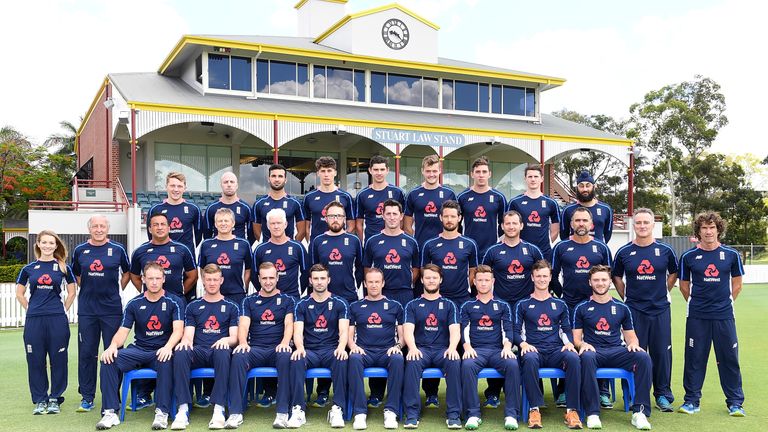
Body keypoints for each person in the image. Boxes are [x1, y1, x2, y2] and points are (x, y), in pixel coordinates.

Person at [95, 262, 184, 430]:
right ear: (143, 279)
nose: (154, 282)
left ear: (164, 279)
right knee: (108, 360)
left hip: (161, 350)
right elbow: (123, 331)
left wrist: (168, 347)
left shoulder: (174, 301)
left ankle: (162, 413)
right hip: (139, 350)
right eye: (150, 278)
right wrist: (113, 346)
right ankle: (110, 412)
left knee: (166, 360)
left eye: (158, 278)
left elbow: (178, 331)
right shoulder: (134, 303)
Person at [677, 211, 745, 417]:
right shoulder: (688, 257)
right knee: (694, 358)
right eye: (704, 228)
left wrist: (725, 302)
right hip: (697, 316)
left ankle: (735, 403)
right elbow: (683, 286)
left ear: (718, 229)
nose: (708, 231)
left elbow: (738, 284)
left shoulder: (731, 255)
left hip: (724, 316)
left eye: (712, 227)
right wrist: (697, 303)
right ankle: (691, 401)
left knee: (729, 358)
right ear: (698, 231)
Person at [612, 208, 678, 412]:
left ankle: (663, 395)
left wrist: (662, 292)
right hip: (634, 311)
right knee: (634, 353)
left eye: (646, 223)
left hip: (659, 310)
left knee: (661, 354)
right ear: (634, 226)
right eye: (638, 223)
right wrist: (626, 298)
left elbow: (674, 273)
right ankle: (632, 395)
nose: (642, 226)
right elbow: (616, 277)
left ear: (652, 225)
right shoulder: (624, 252)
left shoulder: (665, 251)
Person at [573, 265, 653, 430]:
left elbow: (631, 337)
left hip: (617, 351)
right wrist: (583, 344)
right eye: (596, 280)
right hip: (594, 352)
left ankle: (640, 412)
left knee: (643, 357)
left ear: (610, 282)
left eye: (604, 280)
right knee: (586, 356)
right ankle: (593, 413)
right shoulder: (581, 308)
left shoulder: (622, 307)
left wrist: (633, 345)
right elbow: (576, 339)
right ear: (590, 282)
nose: (600, 283)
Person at [480, 210, 543, 408]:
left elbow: (540, 274)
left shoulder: (532, 250)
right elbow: (484, 277)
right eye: (507, 223)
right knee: (500, 346)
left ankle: (533, 392)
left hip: (526, 305)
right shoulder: (493, 251)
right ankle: (493, 392)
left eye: (515, 223)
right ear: (502, 226)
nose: (511, 227)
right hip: (500, 306)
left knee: (529, 344)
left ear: (521, 226)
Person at [551, 207, 612, 407]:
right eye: (577, 220)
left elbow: (607, 277)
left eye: (585, 220)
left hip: (596, 304)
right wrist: (562, 296)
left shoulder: (601, 248)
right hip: (569, 304)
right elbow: (553, 275)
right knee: (568, 345)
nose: (581, 224)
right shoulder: (561, 248)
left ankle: (602, 390)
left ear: (591, 224)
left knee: (599, 344)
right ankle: (564, 390)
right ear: (571, 224)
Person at [419, 200, 477, 407]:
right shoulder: (430, 244)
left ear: (459, 218)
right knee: (434, 341)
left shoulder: (469, 244)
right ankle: (432, 393)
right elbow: (424, 273)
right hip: (436, 299)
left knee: (460, 345)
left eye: (454, 216)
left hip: (461, 300)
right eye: (446, 216)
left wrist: (463, 290)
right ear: (441, 218)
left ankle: (460, 392)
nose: (450, 219)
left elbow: (473, 272)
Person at [70, 215, 131, 412]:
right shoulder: (80, 250)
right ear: (89, 229)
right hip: (87, 311)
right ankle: (87, 397)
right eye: (95, 226)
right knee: (87, 354)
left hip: (112, 310)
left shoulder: (118, 249)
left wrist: (116, 288)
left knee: (114, 353)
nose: (98, 229)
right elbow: (76, 274)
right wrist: (87, 288)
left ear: (107, 229)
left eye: (102, 226)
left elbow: (128, 272)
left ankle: (113, 395)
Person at [225, 262, 295, 429]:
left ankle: (282, 413)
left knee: (286, 356)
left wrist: (285, 343)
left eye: (272, 277)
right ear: (259, 279)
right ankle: (235, 413)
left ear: (277, 278)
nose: (268, 281)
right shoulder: (248, 300)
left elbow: (289, 325)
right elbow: (243, 325)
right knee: (238, 356)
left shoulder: (287, 300)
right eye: (264, 278)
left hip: (277, 348)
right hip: (255, 348)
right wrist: (242, 343)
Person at [514, 260, 582, 429]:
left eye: (545, 276)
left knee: (573, 358)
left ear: (551, 277)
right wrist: (522, 344)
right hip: (533, 350)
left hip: (555, 351)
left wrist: (569, 344)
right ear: (532, 277)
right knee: (528, 358)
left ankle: (571, 410)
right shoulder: (522, 304)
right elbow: (514, 332)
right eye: (538, 276)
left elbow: (566, 329)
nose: (542, 279)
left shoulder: (560, 304)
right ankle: (534, 409)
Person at [171, 264, 240, 430]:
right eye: (208, 279)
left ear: (221, 280)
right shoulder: (193, 306)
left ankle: (218, 409)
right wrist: (186, 341)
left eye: (215, 279)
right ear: (203, 280)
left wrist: (226, 340)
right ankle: (183, 409)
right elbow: (188, 334)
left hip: (219, 351)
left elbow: (234, 337)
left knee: (223, 351)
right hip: (200, 351)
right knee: (180, 352)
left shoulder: (231, 306)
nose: (212, 283)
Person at [16, 230, 76, 415]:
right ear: (38, 244)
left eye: (52, 243)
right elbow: (19, 293)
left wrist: (61, 310)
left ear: (56, 246)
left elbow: (72, 292)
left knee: (58, 360)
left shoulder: (64, 268)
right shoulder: (28, 269)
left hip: (57, 320)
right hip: (34, 320)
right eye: (45, 242)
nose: (48, 246)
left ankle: (54, 398)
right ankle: (40, 399)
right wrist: (31, 309)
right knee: (35, 360)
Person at [287, 264, 350, 429]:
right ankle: (298, 409)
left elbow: (344, 331)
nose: (319, 282)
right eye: (316, 278)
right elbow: (298, 332)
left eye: (323, 278)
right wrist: (300, 348)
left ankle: (337, 408)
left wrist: (341, 347)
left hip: (331, 350)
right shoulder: (301, 304)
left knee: (342, 358)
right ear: (310, 281)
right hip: (310, 351)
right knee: (296, 359)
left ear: (329, 280)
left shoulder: (340, 303)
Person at [459, 265, 520, 430]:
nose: (483, 283)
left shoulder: (502, 305)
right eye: (480, 280)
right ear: (474, 282)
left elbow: (508, 330)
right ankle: (473, 414)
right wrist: (467, 347)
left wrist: (507, 347)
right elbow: (463, 330)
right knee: (467, 365)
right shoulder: (467, 306)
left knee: (513, 364)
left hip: (497, 351)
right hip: (476, 350)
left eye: (487, 280)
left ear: (493, 281)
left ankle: (511, 415)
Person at [402, 264, 462, 429]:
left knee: (454, 362)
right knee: (412, 362)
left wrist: (452, 348)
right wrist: (413, 348)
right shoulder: (412, 305)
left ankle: (454, 415)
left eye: (434, 278)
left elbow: (455, 330)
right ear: (421, 280)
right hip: (421, 349)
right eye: (427, 277)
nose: (431, 281)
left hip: (443, 350)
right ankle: (412, 415)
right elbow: (408, 330)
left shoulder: (450, 305)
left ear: (440, 280)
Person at [347, 268, 405, 430]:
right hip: (364, 351)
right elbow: (349, 336)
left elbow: (402, 337)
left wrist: (398, 346)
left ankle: (391, 411)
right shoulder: (355, 306)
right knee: (354, 358)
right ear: (364, 284)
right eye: (370, 282)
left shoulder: (395, 306)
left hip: (387, 351)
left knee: (398, 358)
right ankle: (359, 413)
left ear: (383, 283)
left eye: (377, 282)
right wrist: (353, 347)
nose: (373, 285)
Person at [362, 199, 419, 306]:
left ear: (401, 216)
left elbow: (416, 268)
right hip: (381, 293)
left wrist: (407, 282)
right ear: (383, 215)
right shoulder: (372, 241)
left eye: (395, 214)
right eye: (388, 214)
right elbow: (367, 268)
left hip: (405, 293)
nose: (392, 217)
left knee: (405, 323)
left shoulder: (411, 241)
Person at [130, 212, 198, 301]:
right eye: (155, 225)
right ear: (150, 229)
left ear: (169, 228)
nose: (160, 227)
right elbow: (134, 277)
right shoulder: (139, 251)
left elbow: (193, 276)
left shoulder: (182, 249)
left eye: (163, 224)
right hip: (150, 303)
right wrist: (146, 291)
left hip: (177, 302)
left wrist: (180, 292)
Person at [309, 201, 363, 305]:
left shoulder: (354, 240)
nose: (335, 219)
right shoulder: (318, 241)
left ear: (344, 218)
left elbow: (360, 268)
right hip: (323, 297)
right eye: (331, 216)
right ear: (326, 218)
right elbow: (313, 268)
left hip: (348, 297)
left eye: (339, 216)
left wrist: (353, 284)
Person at [507, 165, 560, 262]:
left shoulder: (551, 203)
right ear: (525, 179)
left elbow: (555, 230)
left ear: (542, 179)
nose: (533, 179)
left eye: (536, 177)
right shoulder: (515, 202)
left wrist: (545, 243)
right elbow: (508, 226)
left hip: (544, 252)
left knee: (542, 277)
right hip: (520, 252)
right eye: (530, 177)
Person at [199, 208, 252, 305]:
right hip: (213, 295)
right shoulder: (206, 244)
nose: (223, 223)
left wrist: (244, 287)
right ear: (215, 224)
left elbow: (248, 269)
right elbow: (202, 269)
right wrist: (208, 286)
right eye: (220, 221)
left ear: (233, 223)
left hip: (236, 295)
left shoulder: (243, 244)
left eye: (226, 221)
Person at [457, 156, 507, 260]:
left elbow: (503, 223)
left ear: (489, 174)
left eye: (484, 172)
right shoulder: (462, 197)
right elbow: (456, 224)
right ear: (472, 174)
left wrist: (500, 244)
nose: (481, 175)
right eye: (478, 172)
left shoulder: (499, 197)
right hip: (468, 249)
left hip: (491, 250)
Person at [252, 208, 309, 299]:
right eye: (272, 223)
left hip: (292, 297)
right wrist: (266, 291)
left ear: (285, 224)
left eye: (279, 223)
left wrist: (298, 291)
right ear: (267, 226)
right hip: (268, 298)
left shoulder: (298, 247)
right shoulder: (260, 249)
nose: (276, 226)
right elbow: (254, 275)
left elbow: (306, 272)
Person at [147, 172, 203, 263]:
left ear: (185, 188)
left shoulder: (193, 209)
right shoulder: (155, 209)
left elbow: (198, 235)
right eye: (172, 186)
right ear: (166, 186)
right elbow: (151, 235)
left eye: (180, 186)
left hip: (186, 257)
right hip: (162, 256)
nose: (176, 189)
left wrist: (186, 248)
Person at [404, 154, 457, 247]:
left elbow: (455, 222)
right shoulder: (413, 194)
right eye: (428, 171)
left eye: (434, 171)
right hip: (421, 246)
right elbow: (407, 226)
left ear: (440, 171)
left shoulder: (449, 194)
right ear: (422, 171)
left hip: (445, 247)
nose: (431, 174)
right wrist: (413, 244)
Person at [303, 156, 355, 241]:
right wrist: (313, 243)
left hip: (339, 245)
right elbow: (306, 226)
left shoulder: (346, 197)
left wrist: (342, 239)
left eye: (329, 171)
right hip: (317, 246)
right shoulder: (309, 197)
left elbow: (352, 225)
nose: (326, 175)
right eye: (323, 171)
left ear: (335, 173)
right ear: (318, 173)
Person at [355, 155, 405, 242]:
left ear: (387, 170)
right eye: (376, 170)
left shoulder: (397, 192)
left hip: (393, 241)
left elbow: (403, 218)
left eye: (382, 169)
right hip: (371, 242)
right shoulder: (362, 195)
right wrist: (362, 244)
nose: (379, 173)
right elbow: (359, 224)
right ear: (370, 170)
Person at [252, 163, 307, 243]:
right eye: (273, 176)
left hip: (288, 251)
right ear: (268, 179)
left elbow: (302, 231)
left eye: (280, 176)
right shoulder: (259, 204)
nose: (277, 179)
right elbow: (257, 232)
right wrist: (266, 245)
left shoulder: (295, 203)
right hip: (267, 251)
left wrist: (292, 245)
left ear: (285, 179)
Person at [559, 171, 613, 243]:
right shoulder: (568, 210)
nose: (585, 189)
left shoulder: (606, 209)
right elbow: (564, 235)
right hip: (574, 252)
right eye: (581, 186)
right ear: (577, 188)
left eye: (588, 186)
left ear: (594, 187)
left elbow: (607, 235)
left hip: (597, 252)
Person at [204, 172, 253, 242]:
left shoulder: (245, 208)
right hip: (217, 250)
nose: (229, 185)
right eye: (226, 182)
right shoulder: (211, 208)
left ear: (237, 185)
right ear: (221, 185)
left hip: (239, 250)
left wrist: (243, 247)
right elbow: (207, 233)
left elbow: (251, 234)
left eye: (232, 182)